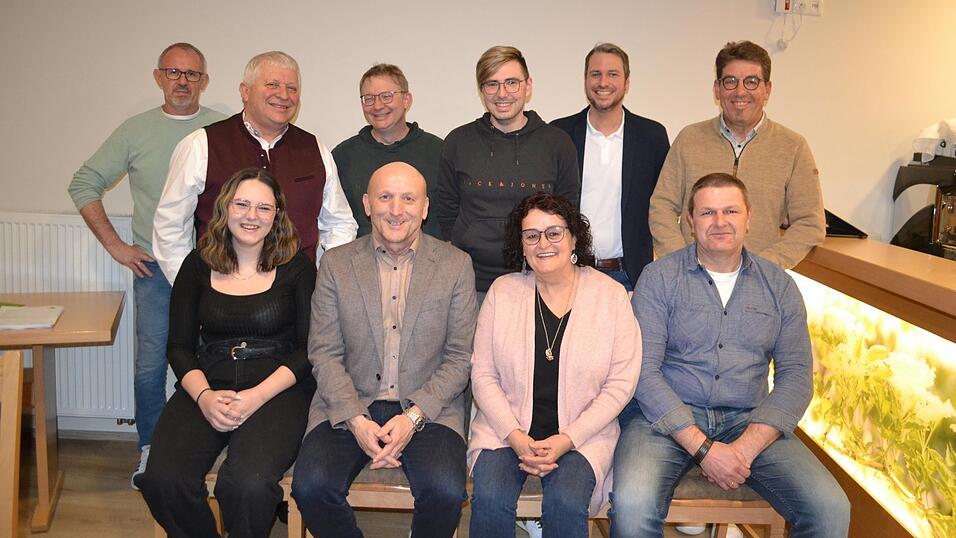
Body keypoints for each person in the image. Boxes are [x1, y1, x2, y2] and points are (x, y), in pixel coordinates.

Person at [610, 174, 850, 537]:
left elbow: (797, 375)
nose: (719, 222)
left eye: (730, 211)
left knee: (830, 509)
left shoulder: (780, 286)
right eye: (707, 213)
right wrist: (705, 450)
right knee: (632, 505)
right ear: (690, 222)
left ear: (749, 218)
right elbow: (643, 371)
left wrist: (745, 448)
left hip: (749, 419)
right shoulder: (658, 278)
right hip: (664, 420)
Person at [66, 42, 225, 487]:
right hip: (155, 273)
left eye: (192, 74)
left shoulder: (222, 129)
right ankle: (151, 450)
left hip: (216, 271)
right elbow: (84, 184)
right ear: (158, 77)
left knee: (211, 361)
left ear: (204, 81)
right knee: (151, 364)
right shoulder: (135, 130)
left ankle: (203, 451)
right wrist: (116, 245)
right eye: (173, 72)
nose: (182, 81)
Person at [291, 162, 478, 537]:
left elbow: (460, 357)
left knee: (444, 491)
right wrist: (356, 420)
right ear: (366, 204)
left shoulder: (456, 265)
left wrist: (412, 418)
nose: (396, 210)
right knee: (311, 487)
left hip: (430, 407)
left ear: (424, 208)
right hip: (349, 403)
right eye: (385, 197)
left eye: (408, 198)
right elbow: (324, 352)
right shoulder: (336, 264)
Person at [139, 167, 316, 538]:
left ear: (277, 216)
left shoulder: (297, 267)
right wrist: (203, 397)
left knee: (247, 485)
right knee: (161, 480)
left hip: (276, 388)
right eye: (243, 204)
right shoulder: (197, 264)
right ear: (225, 208)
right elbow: (180, 347)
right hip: (208, 381)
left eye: (263, 208)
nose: (252, 216)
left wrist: (254, 397)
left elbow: (307, 350)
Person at [468, 193, 641, 537]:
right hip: (505, 432)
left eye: (554, 232)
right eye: (531, 235)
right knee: (489, 498)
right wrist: (516, 437)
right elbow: (483, 375)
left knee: (565, 501)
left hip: (583, 436)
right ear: (521, 244)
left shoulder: (611, 296)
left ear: (574, 237)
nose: (542, 243)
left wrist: (567, 439)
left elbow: (621, 384)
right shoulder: (502, 292)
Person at [153, 50, 356, 284]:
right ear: (245, 91)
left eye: (292, 88)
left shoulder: (314, 149)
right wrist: (191, 287)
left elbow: (340, 223)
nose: (284, 95)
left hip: (299, 297)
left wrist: (325, 282)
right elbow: (170, 227)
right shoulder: (201, 145)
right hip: (221, 295)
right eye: (272, 84)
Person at [648, 40, 825, 269]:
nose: (740, 91)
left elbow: (810, 222)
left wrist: (766, 267)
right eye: (730, 81)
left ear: (767, 89)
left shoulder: (793, 147)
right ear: (717, 89)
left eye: (751, 82)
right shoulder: (689, 139)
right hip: (690, 283)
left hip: (758, 289)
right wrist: (683, 263)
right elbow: (661, 207)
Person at [435, 45, 580, 296]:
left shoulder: (557, 143)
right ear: (482, 91)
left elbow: (568, 212)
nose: (502, 93)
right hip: (472, 285)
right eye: (492, 84)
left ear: (528, 86)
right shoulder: (458, 142)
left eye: (512, 82)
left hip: (538, 282)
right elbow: (446, 209)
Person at [552, 43, 670, 289]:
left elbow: (664, 206)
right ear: (585, 80)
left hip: (628, 277)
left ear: (627, 82)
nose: (603, 82)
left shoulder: (652, 137)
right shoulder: (559, 134)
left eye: (613, 74)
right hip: (569, 272)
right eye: (595, 74)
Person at [333, 63, 444, 239]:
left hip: (427, 262)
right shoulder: (343, 157)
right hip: (361, 262)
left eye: (386, 96)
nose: (377, 106)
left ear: (406, 100)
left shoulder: (439, 152)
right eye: (368, 98)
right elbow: (335, 220)